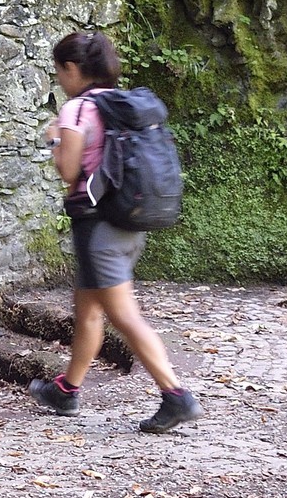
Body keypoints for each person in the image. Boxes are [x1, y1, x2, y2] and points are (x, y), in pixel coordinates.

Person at [29, 28, 201, 433]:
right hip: (125, 220)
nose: (59, 79)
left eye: (59, 71)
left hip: (98, 227)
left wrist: (55, 139)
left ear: (72, 68)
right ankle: (66, 390)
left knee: (124, 315)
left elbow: (69, 172)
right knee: (88, 310)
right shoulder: (117, 105)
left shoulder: (76, 111)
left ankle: (176, 396)